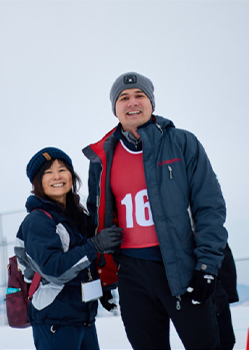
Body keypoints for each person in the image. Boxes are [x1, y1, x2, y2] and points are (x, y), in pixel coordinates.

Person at [82, 72, 229, 349]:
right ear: (115, 108)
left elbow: (209, 207)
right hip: (132, 273)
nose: (132, 102)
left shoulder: (182, 143)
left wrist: (208, 265)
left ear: (151, 102)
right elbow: (96, 217)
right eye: (124, 98)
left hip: (181, 268)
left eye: (140, 95)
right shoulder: (103, 156)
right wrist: (103, 274)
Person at [14, 147, 123, 350]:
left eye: (62, 169)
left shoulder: (76, 217)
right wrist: (95, 244)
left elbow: (88, 264)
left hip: (82, 317)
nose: (57, 176)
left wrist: (104, 287)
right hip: (55, 321)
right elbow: (55, 269)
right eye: (48, 172)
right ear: (37, 182)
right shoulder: (37, 221)